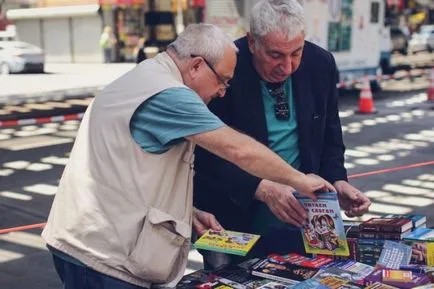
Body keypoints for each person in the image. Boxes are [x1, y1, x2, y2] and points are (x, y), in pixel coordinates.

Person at [42, 23, 334, 289]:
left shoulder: (149, 76)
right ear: (196, 66)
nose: (222, 92)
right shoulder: (168, 93)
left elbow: (126, 171)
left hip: (88, 243)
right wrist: (299, 179)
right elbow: (238, 149)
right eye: (223, 81)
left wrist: (185, 212)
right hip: (102, 258)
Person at [193, 0, 371, 269]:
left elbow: (330, 136)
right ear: (252, 43)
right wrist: (261, 189)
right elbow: (204, 155)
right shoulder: (225, 67)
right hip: (232, 217)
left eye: (296, 53)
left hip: (305, 221)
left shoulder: (320, 63)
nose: (287, 67)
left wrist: (337, 180)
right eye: (275, 55)